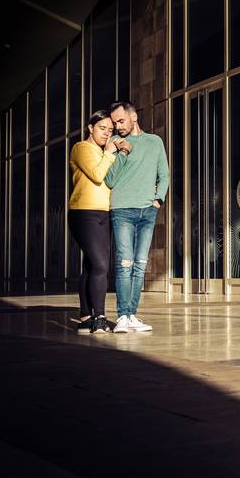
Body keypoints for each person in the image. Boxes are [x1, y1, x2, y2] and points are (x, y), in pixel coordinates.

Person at [105, 101, 169, 333]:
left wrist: (158, 200)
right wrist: (122, 151)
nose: (117, 127)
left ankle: (132, 314)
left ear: (133, 117)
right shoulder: (115, 144)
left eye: (120, 121)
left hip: (147, 212)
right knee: (125, 264)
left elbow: (164, 174)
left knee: (140, 265)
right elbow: (110, 179)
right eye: (114, 123)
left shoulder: (154, 141)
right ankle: (122, 316)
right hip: (122, 209)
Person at [67, 110, 130, 334]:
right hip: (83, 212)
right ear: (90, 128)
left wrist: (119, 154)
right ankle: (100, 317)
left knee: (93, 265)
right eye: (102, 129)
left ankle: (85, 316)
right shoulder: (81, 148)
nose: (107, 134)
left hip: (103, 213)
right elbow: (96, 174)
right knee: (102, 265)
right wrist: (111, 152)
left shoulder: (104, 152)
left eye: (110, 130)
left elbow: (112, 179)